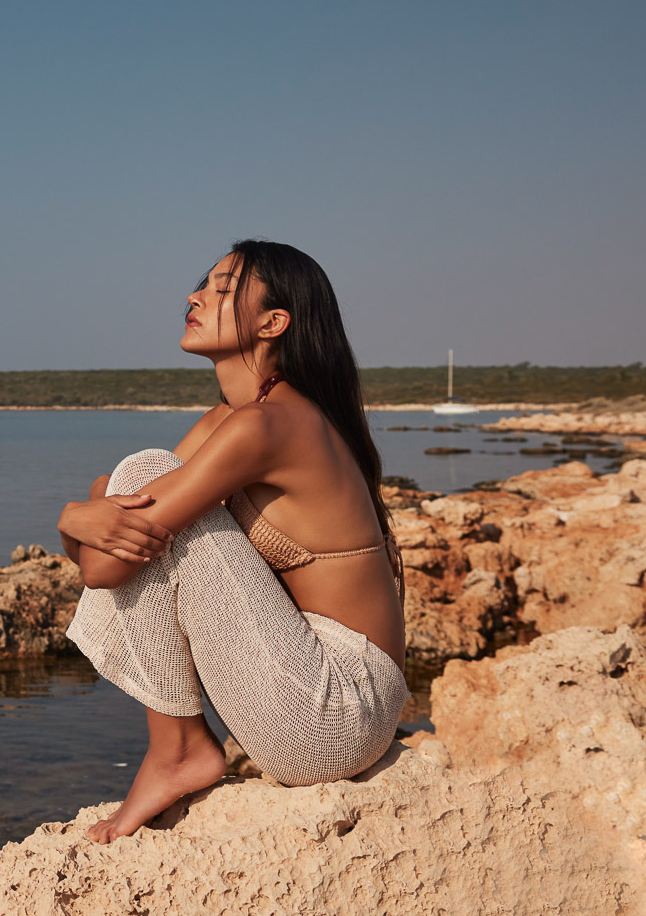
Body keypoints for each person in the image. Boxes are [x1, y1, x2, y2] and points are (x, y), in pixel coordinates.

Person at [58, 240, 408, 844]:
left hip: (337, 712)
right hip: (315, 691)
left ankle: (178, 749)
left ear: (273, 324)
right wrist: (89, 515)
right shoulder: (232, 418)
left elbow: (104, 566)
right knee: (137, 482)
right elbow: (112, 546)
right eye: (204, 284)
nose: (193, 297)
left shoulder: (267, 425)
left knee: (142, 476)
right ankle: (179, 747)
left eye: (222, 289)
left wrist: (72, 516)